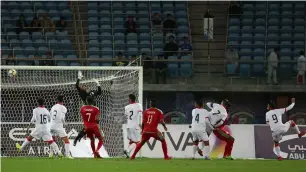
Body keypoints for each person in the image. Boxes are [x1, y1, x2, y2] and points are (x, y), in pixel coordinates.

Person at [73, 71, 102, 146]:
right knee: (89, 127)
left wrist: (98, 83)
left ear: (87, 87)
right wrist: (79, 78)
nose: (83, 87)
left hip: (93, 111)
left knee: (88, 128)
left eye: (85, 86)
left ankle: (79, 138)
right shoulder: (83, 93)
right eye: (83, 86)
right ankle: (78, 138)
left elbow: (99, 92)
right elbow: (76, 85)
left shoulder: (92, 92)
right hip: (87, 111)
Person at [49, 95, 73, 159]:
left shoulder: (53, 106)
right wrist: (65, 124)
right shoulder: (63, 108)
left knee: (53, 139)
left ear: (57, 100)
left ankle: (51, 154)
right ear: (63, 100)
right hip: (58, 126)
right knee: (66, 140)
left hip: (51, 125)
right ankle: (67, 155)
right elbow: (62, 118)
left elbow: (50, 115)